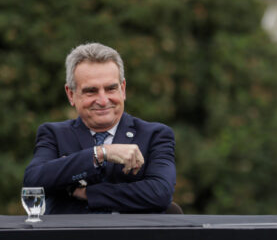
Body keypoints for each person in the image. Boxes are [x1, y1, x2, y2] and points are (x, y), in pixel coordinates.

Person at [23, 43, 176, 213]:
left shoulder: (155, 135)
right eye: (91, 91)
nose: (103, 100)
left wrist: (90, 193)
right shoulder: (54, 135)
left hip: (133, 238)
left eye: (111, 88)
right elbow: (33, 184)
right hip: (71, 238)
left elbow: (160, 194)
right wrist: (101, 153)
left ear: (123, 89)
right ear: (71, 94)